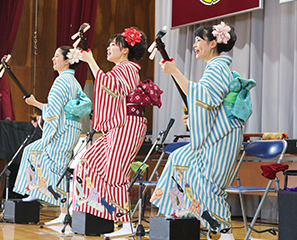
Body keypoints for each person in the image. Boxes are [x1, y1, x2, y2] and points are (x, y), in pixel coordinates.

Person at [150, 21, 255, 240]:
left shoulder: (217, 67)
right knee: (179, 157)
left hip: (222, 136)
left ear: (214, 43)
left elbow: (203, 97)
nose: (195, 45)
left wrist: (175, 72)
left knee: (205, 180)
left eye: (199, 40)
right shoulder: (215, 67)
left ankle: (224, 230)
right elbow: (205, 104)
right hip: (217, 133)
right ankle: (182, 211)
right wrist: (194, 117)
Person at [71, 27, 161, 237]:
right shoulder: (121, 68)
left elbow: (111, 87)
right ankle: (101, 210)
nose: (109, 47)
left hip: (129, 125)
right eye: (109, 44)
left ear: (125, 50)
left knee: (115, 172)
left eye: (114, 44)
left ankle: (125, 223)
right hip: (119, 126)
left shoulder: (129, 68)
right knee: (87, 161)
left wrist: (91, 61)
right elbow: (109, 85)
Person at [13, 46, 90, 225]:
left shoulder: (62, 82)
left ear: (67, 61)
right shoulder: (74, 82)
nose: (53, 59)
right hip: (70, 128)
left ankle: (60, 209)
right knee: (35, 153)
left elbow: (54, 111)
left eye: (57, 56)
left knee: (55, 166)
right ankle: (36, 190)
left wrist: (34, 103)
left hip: (61, 131)